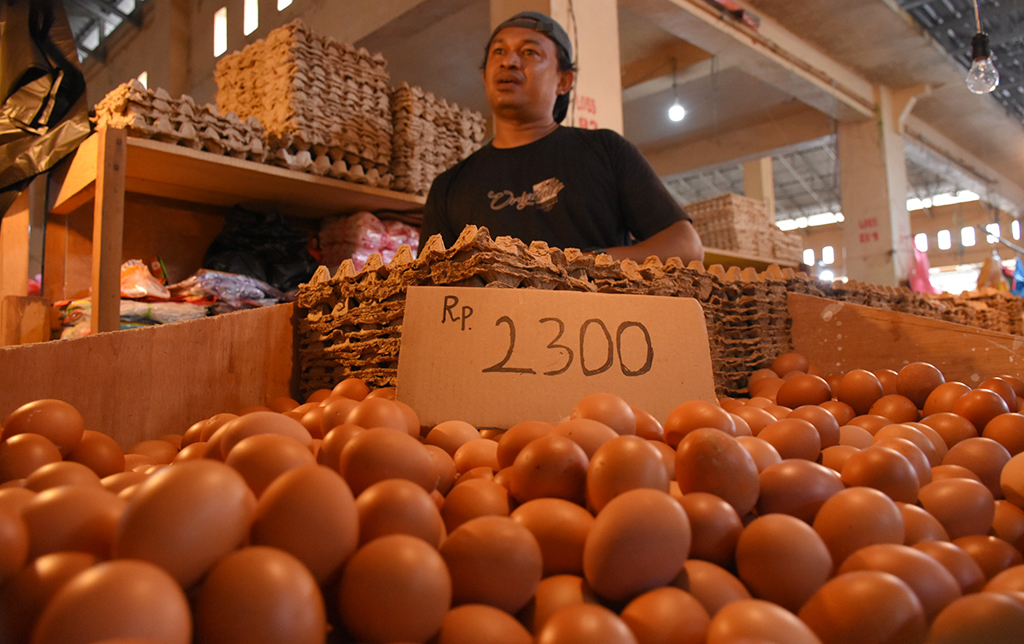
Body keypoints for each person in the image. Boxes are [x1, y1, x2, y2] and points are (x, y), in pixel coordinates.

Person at [418, 11, 703, 264]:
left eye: (529, 52)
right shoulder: (449, 187)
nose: (510, 62)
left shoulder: (606, 151)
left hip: (596, 323)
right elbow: (429, 288)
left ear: (564, 81)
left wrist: (586, 263)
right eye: (499, 52)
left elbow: (686, 246)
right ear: (484, 76)